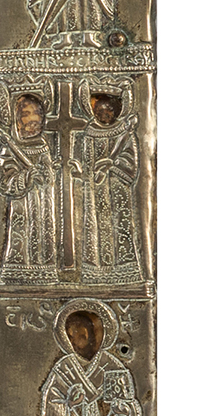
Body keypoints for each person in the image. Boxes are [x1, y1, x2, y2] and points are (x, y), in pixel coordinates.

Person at [71, 89, 142, 286]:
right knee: (94, 227)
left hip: (117, 190)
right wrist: (81, 172)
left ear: (117, 110)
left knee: (119, 226)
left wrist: (114, 165)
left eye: (109, 109)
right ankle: (95, 272)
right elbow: (87, 162)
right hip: (94, 192)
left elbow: (131, 163)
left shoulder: (125, 132)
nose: (104, 114)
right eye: (99, 110)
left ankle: (123, 271)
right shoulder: (90, 132)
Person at [0, 92, 61, 286]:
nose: (34, 120)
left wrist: (49, 171)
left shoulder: (42, 145)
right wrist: (26, 177)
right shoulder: (10, 147)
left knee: (45, 239)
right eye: (26, 114)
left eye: (37, 114)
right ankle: (18, 274)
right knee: (22, 242)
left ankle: (46, 273)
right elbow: (3, 182)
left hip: (44, 207)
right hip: (23, 207)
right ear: (17, 120)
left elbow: (48, 176)